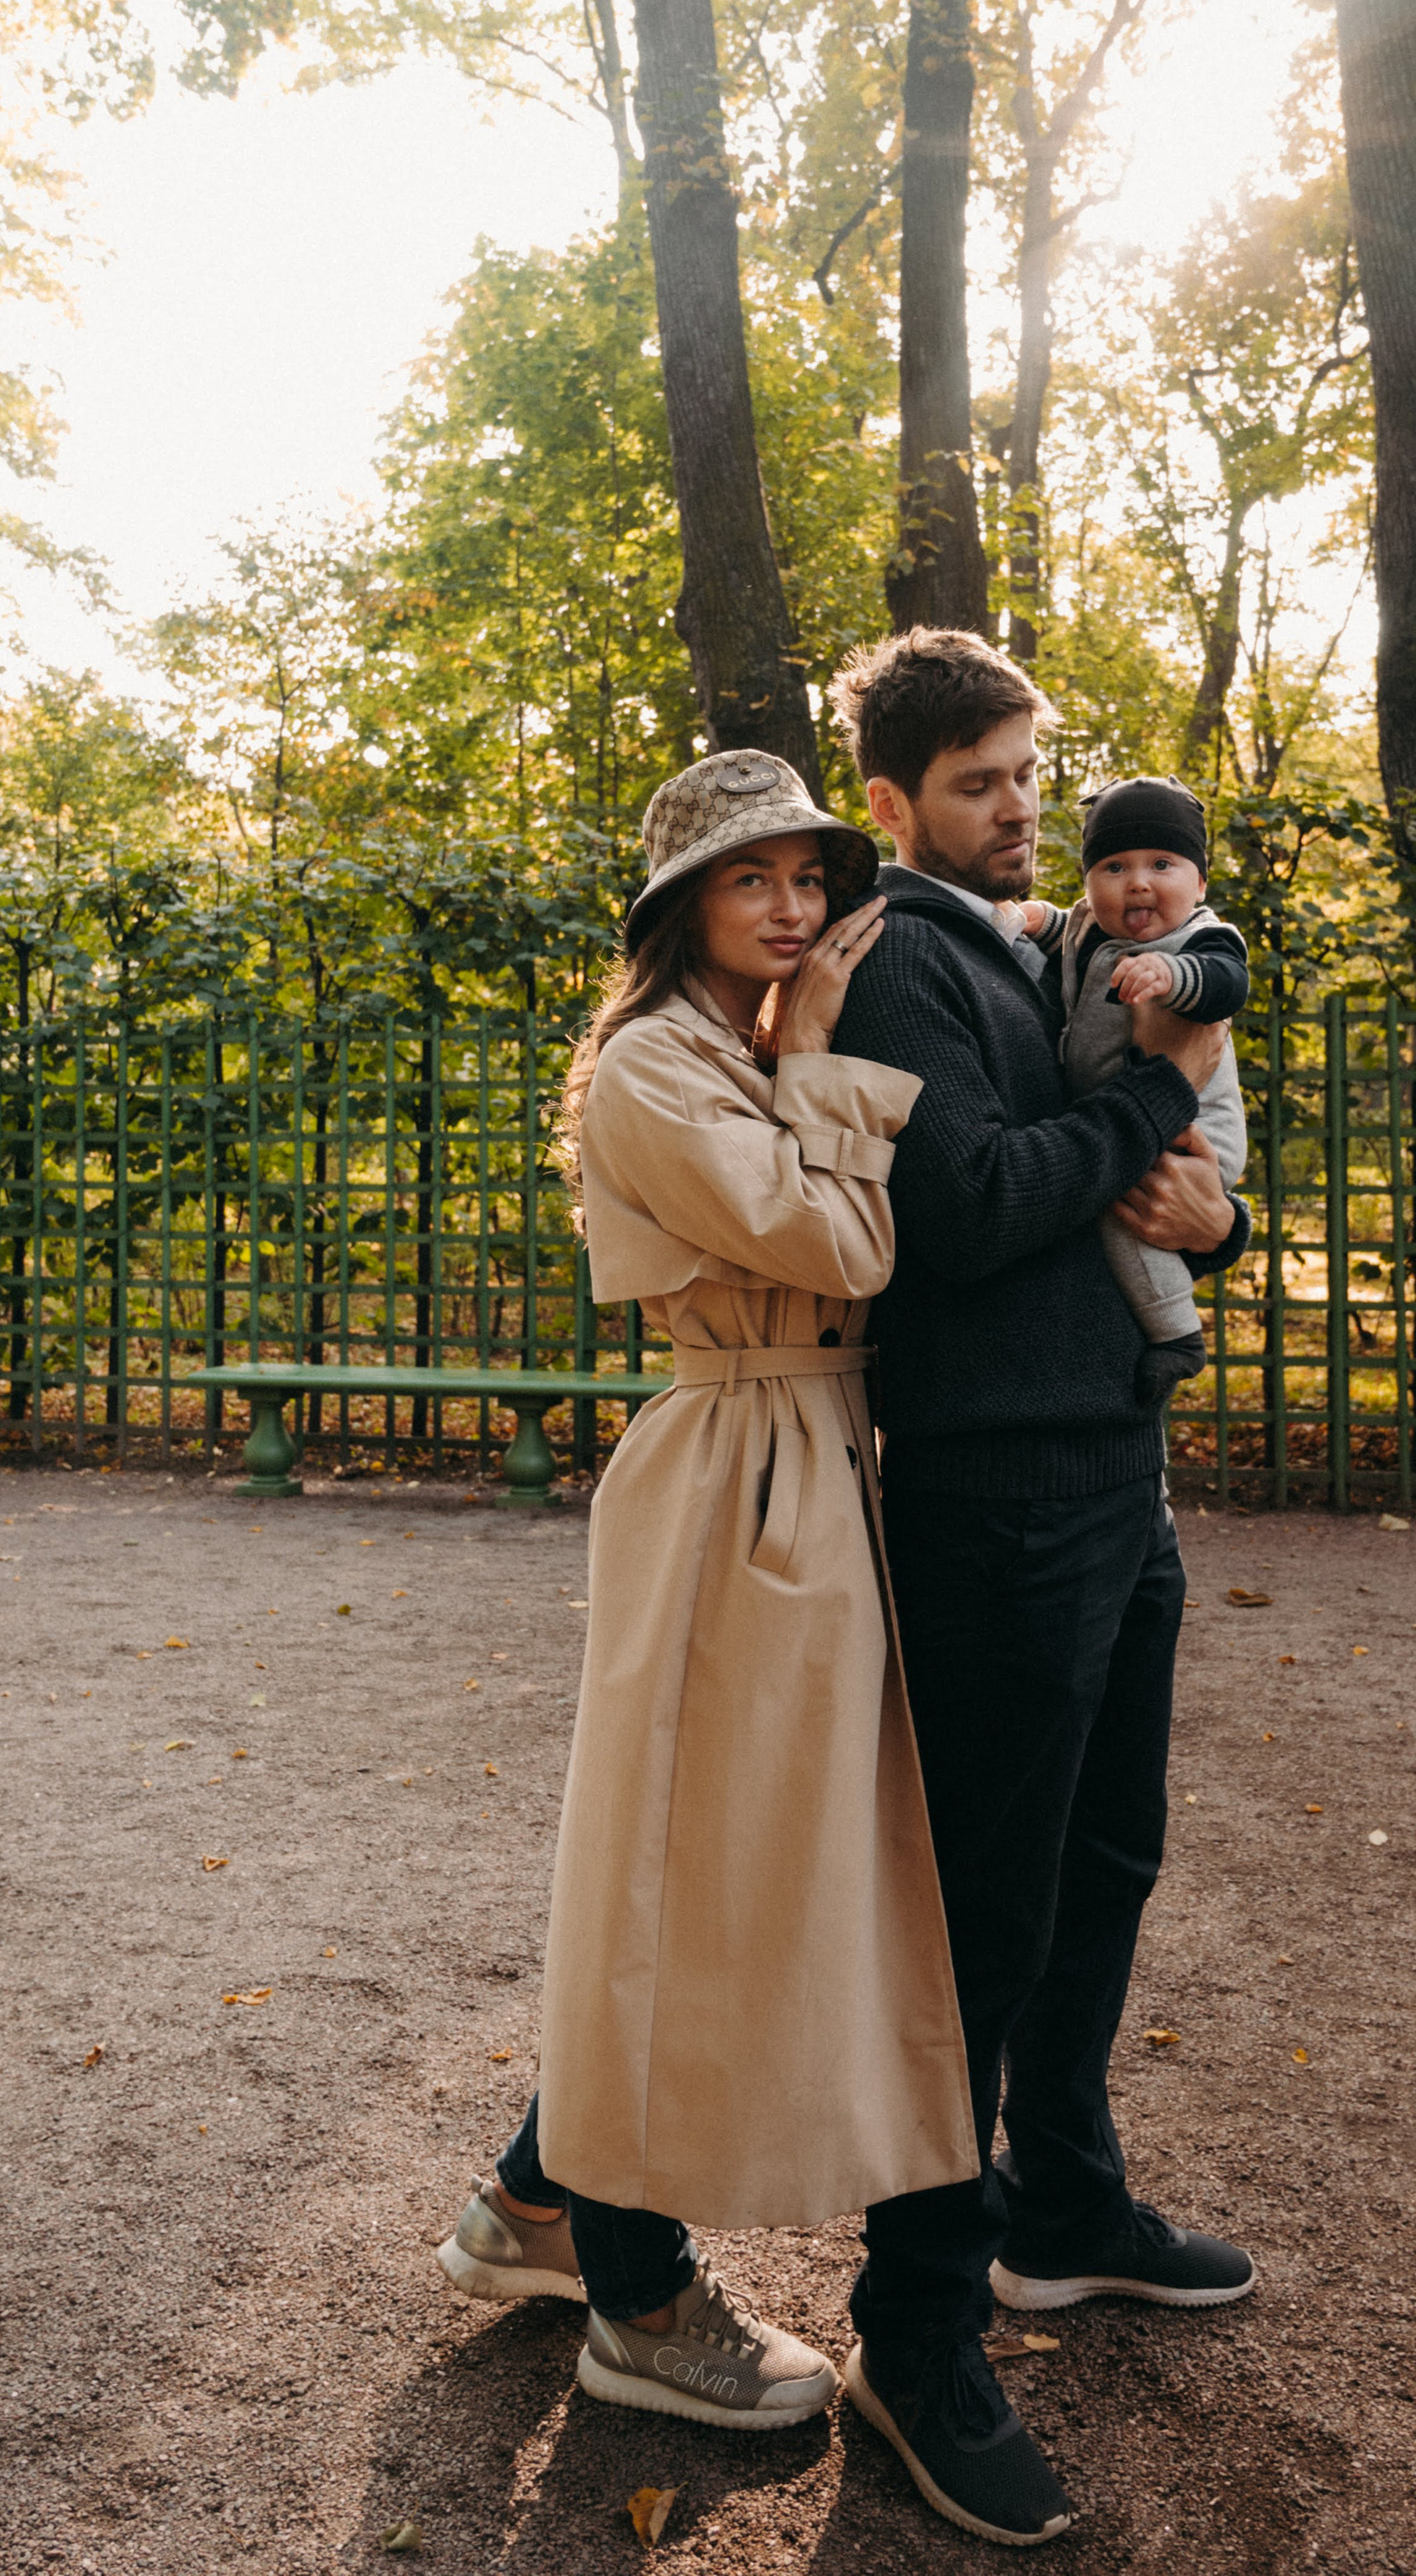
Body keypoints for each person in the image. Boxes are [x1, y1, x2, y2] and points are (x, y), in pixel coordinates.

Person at [435, 748, 975, 2433]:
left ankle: (532, 2202)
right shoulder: (655, 1067)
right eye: (752, 880)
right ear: (684, 906)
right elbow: (843, 1250)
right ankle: (637, 2292)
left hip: (808, 1454)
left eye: (807, 877)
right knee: (673, 1862)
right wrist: (815, 1062)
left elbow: (836, 1238)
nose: (791, 906)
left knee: (736, 1869)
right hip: (734, 1460)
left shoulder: (732, 1049)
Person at [825, 629, 1258, 2549]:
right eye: (987, 780)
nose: (1024, 807)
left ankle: (1064, 2205)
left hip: (1109, 1462)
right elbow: (973, 1207)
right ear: (896, 800)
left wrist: (1204, 1202)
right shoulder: (903, 953)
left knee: (1105, 1861)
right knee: (983, 1915)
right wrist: (1151, 1107)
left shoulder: (1036, 947)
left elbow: (1124, 1181)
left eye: (1030, 774)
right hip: (996, 1485)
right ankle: (913, 2324)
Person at [1023, 774, 1250, 1412]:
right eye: (1114, 866)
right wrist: (1039, 919)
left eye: (1163, 864)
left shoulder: (1200, 938)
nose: (1138, 882)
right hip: (1129, 1117)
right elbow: (1063, 935)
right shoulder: (1087, 925)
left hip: (1194, 1130)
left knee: (1124, 1216)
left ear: (1200, 883)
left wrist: (1173, 974)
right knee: (1114, 1201)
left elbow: (1227, 983)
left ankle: (1176, 1332)